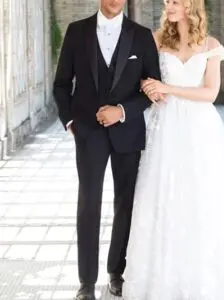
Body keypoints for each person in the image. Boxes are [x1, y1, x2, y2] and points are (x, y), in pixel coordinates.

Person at [122, 0, 224, 299]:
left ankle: (204, 277)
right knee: (163, 193)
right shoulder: (155, 39)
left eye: (174, 1)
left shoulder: (211, 45)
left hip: (201, 129)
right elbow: (138, 78)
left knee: (203, 196)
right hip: (165, 127)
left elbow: (210, 93)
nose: (168, 6)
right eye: (166, 2)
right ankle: (162, 278)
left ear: (191, 5)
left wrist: (168, 88)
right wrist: (149, 87)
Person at [52, 0, 161, 298]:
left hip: (127, 131)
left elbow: (153, 87)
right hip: (88, 132)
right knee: (89, 203)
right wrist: (71, 121)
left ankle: (117, 272)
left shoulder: (141, 36)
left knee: (125, 203)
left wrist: (122, 111)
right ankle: (86, 282)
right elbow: (61, 84)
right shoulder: (77, 32)